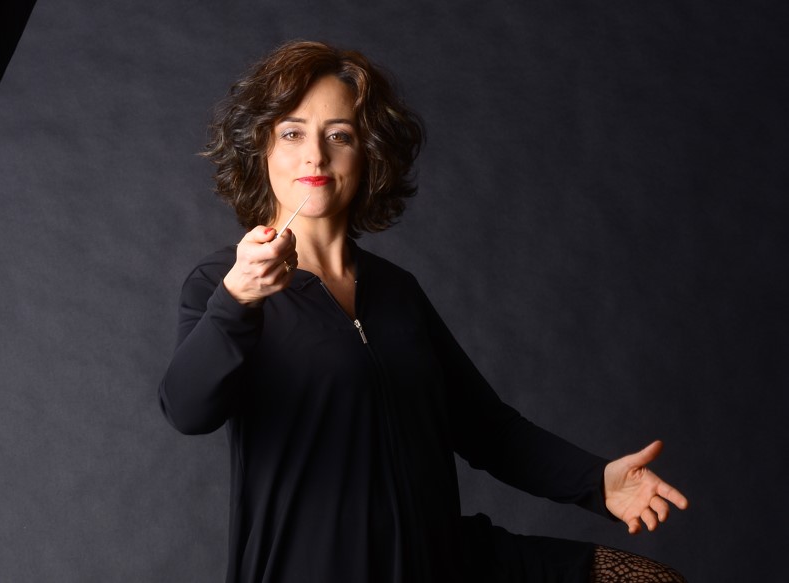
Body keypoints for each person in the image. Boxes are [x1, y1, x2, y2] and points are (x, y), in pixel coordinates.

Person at [158, 40, 689, 583]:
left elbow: (486, 428)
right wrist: (237, 299)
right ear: (262, 149)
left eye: (339, 135)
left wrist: (597, 482)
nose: (315, 155)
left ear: (367, 154)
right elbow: (187, 409)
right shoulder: (222, 282)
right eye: (292, 133)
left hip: (439, 559)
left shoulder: (396, 290)